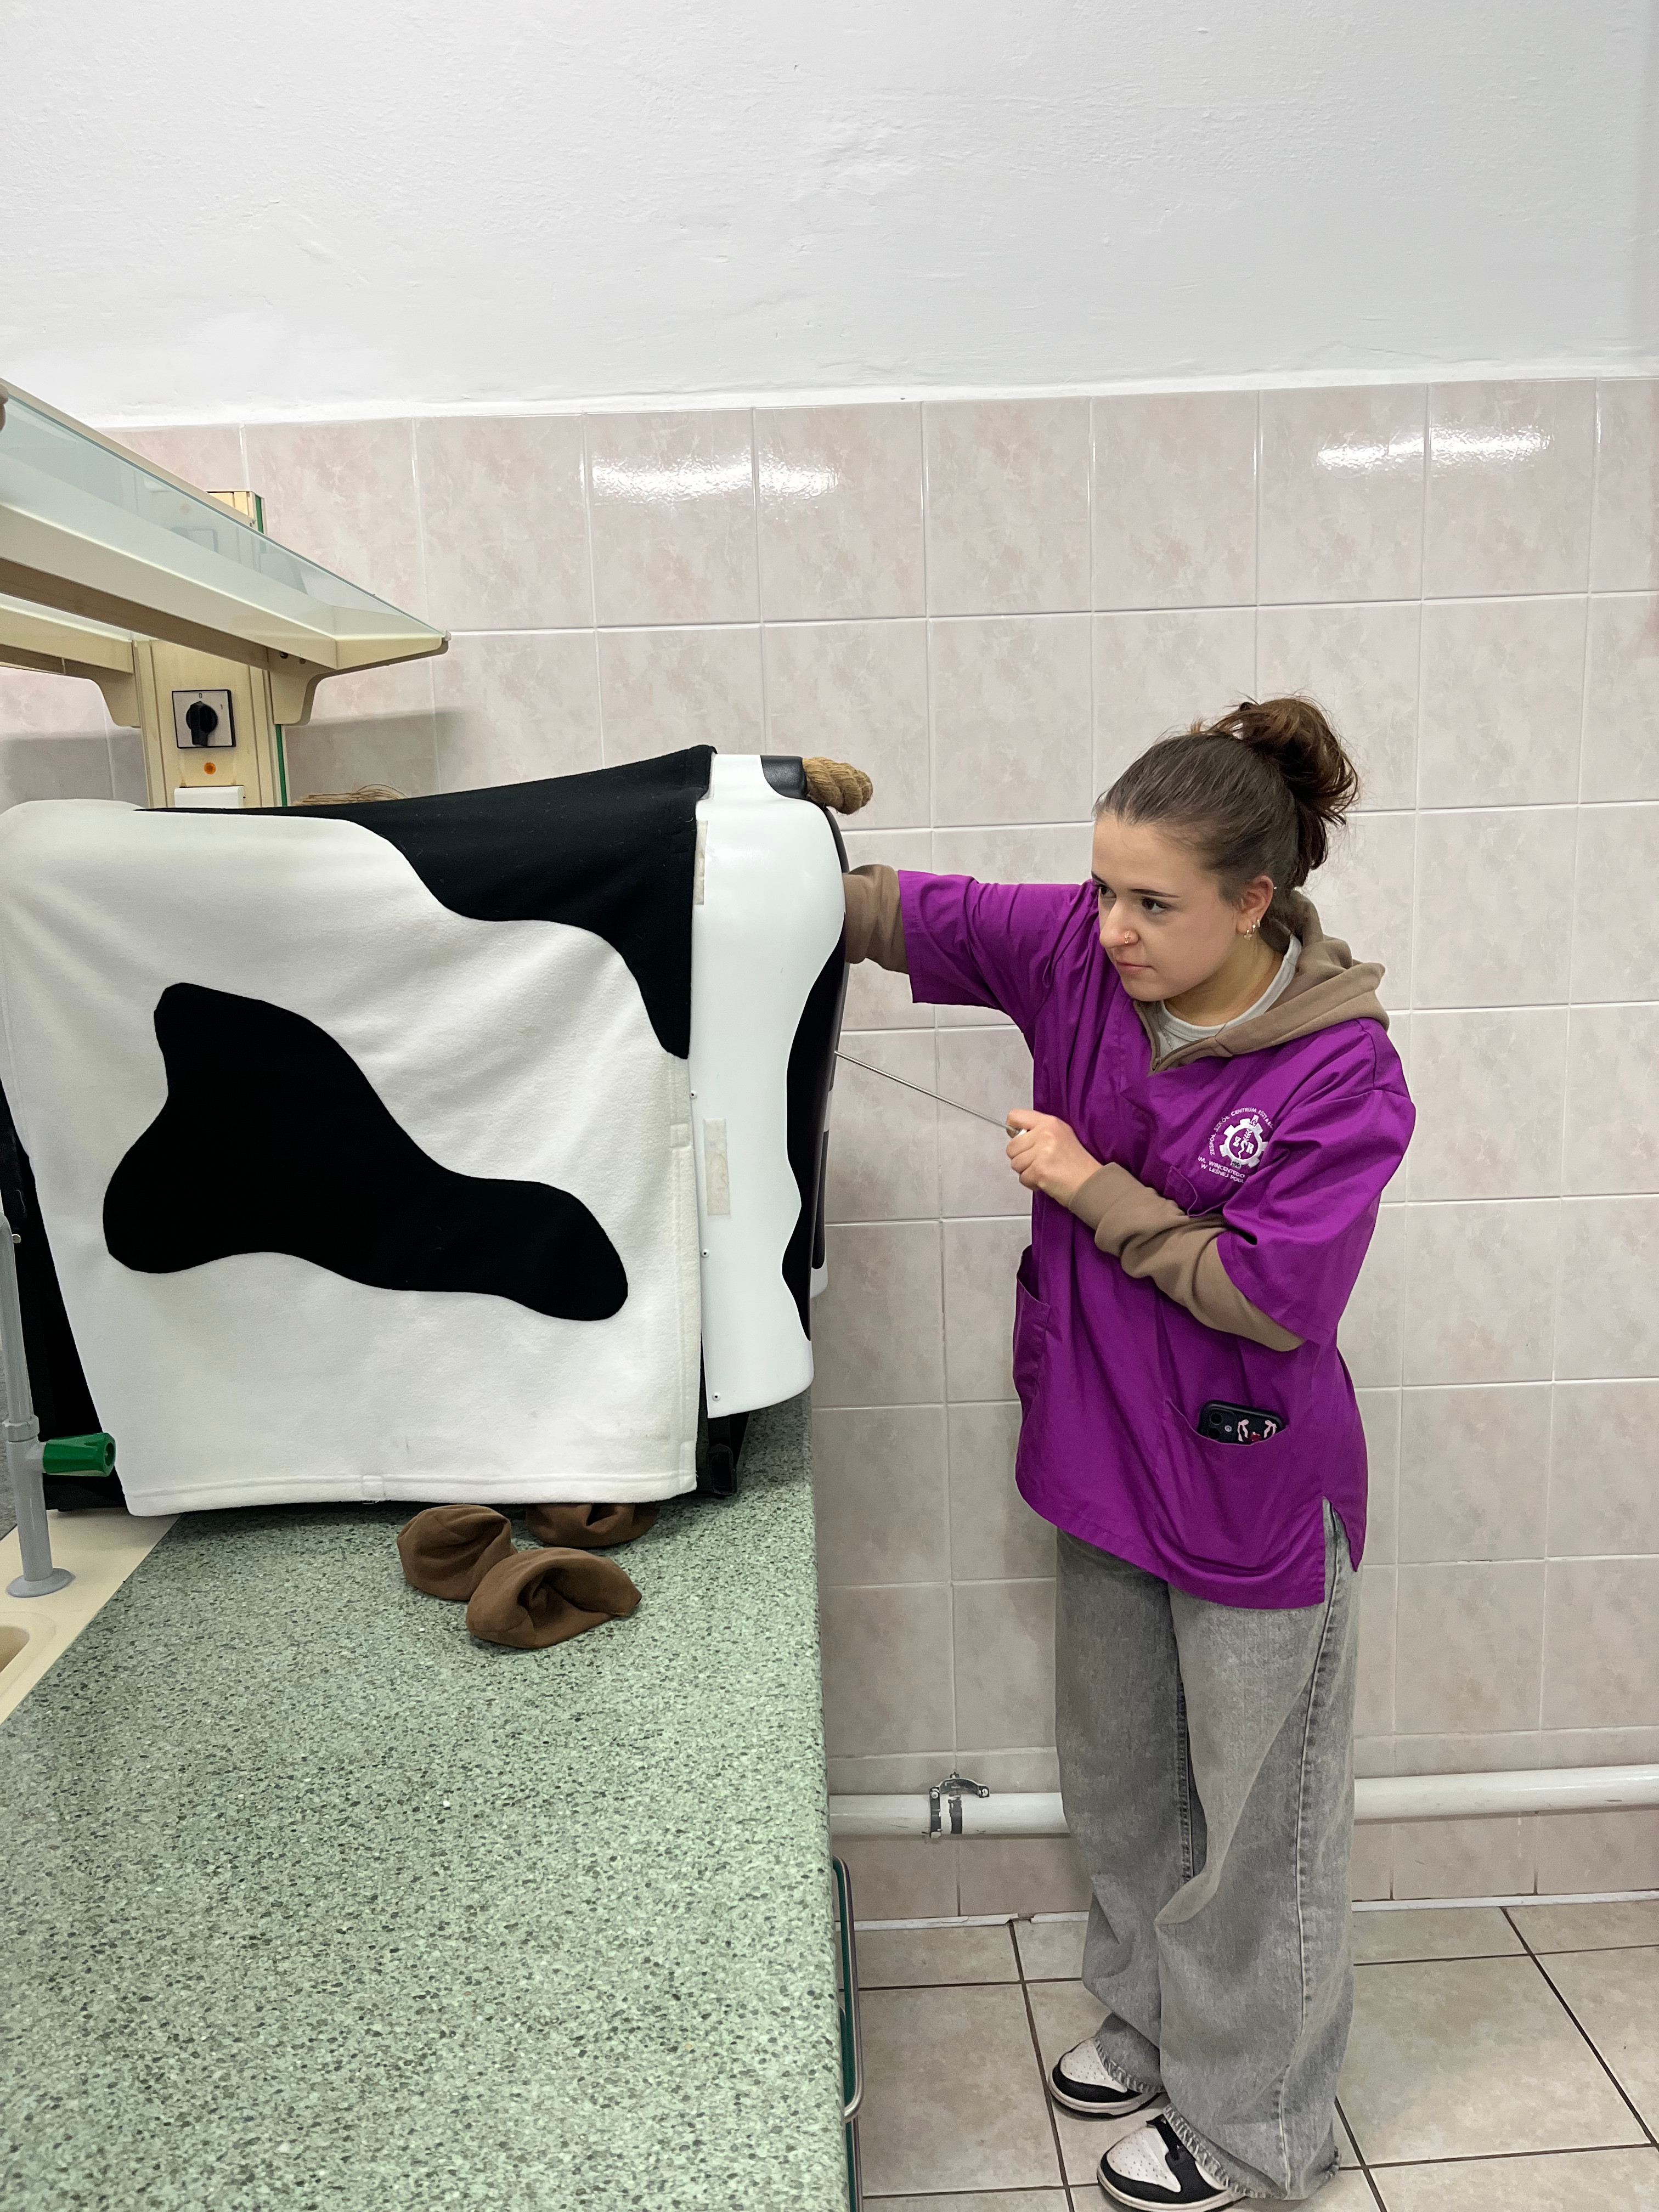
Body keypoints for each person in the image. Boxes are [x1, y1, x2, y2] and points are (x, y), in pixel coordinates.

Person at [841, 699, 1414, 2209]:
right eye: (1102, 888)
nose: (1111, 929)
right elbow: (898, 912)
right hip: (1102, 1456)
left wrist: (1092, 1186)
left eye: (1153, 903)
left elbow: (1269, 1295)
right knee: (1123, 1778)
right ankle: (1156, 2027)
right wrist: (731, 861)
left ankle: (1258, 2124)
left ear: (1253, 900)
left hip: (1248, 1486)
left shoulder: (1341, 1073)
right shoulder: (1079, 955)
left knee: (1261, 1824)